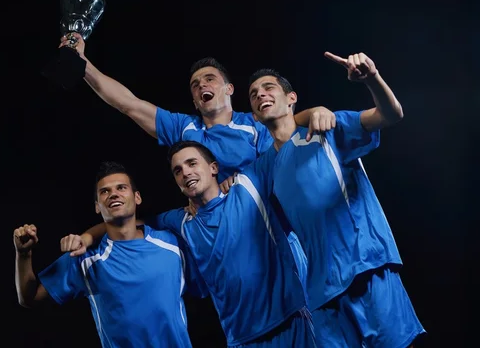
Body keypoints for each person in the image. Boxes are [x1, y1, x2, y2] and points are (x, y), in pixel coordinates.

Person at [58, 33, 335, 284]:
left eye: (210, 79)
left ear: (229, 89)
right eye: (195, 84)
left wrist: (314, 112)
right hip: (219, 239)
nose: (202, 84)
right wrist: (83, 65)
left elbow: (284, 136)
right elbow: (128, 104)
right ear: (194, 101)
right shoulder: (184, 128)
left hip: (268, 233)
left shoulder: (254, 125)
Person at [247, 51, 426, 347]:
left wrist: (372, 78)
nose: (260, 94)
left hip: (366, 267)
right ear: (254, 115)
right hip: (321, 293)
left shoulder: (326, 128)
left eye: (268, 88)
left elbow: (391, 114)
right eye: (253, 94)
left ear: (291, 97)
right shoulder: (265, 167)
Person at [63, 141, 316, 347]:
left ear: (213, 167)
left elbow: (285, 137)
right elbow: (123, 220)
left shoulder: (249, 184)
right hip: (240, 338)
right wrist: (86, 237)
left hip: (290, 321)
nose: (185, 172)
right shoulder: (178, 221)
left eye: (192, 163)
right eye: (177, 170)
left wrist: (315, 112)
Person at [14, 161, 204, 348]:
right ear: (97, 206)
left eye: (121, 188)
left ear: (137, 197)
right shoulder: (86, 260)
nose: (113, 194)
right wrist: (23, 254)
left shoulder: (172, 244)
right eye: (104, 191)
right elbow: (28, 298)